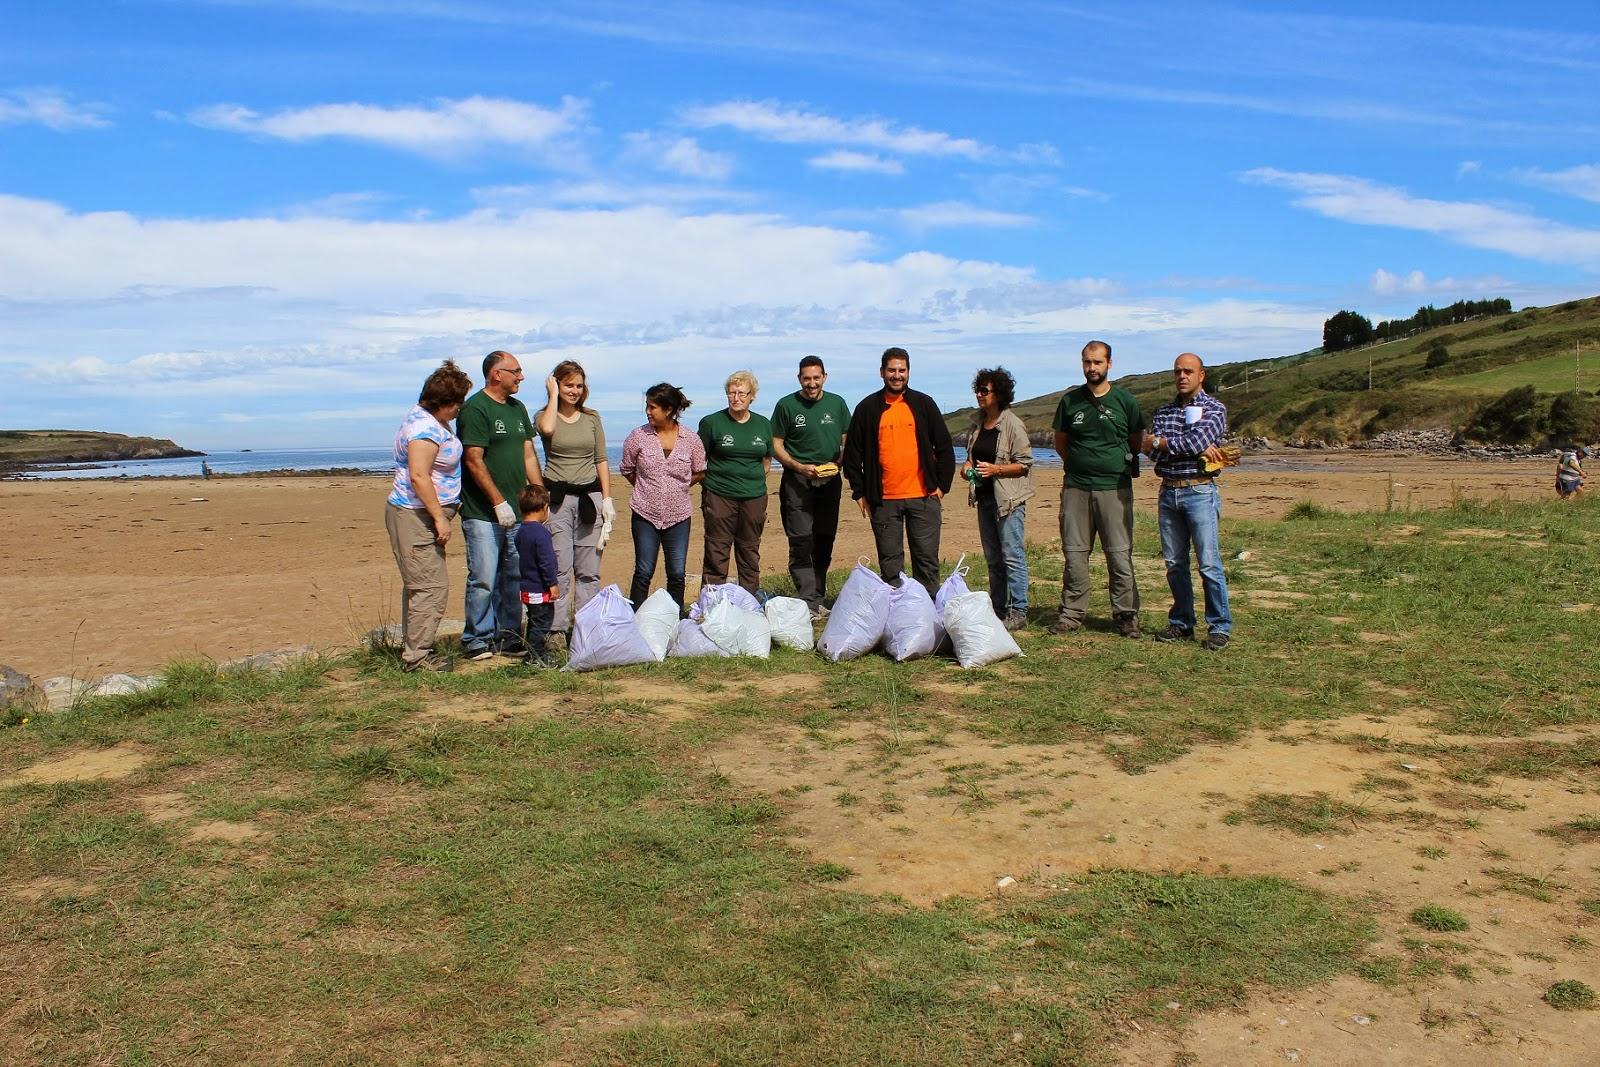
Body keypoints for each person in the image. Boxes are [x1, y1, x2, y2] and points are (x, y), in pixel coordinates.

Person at [1051, 340, 1145, 639]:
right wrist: (1082, 465)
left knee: (1119, 553)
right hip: (1076, 488)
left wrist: (1110, 463)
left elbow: (1135, 439)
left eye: (1097, 362)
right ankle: (1071, 614)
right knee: (1075, 554)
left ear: (1109, 364)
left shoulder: (1125, 401)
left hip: (1114, 488)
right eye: (1087, 362)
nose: (1092, 368)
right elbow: (1061, 444)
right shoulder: (1070, 401)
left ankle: (1126, 615)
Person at [843, 347, 955, 596]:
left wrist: (942, 487)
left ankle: (928, 619)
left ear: (908, 372)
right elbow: (852, 455)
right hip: (883, 500)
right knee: (890, 566)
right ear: (882, 372)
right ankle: (897, 617)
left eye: (901, 370)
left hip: (924, 497)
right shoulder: (867, 408)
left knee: (926, 562)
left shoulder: (923, 404)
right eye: (892, 370)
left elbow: (945, 447)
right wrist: (860, 492)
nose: (897, 375)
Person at [384, 359, 472, 672]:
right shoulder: (423, 429)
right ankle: (417, 658)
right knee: (430, 587)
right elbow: (419, 476)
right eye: (457, 403)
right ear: (444, 402)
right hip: (415, 515)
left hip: (417, 514)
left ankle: (417, 649)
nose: (459, 409)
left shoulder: (426, 418)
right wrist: (439, 517)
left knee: (420, 586)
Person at [459, 350, 545, 661]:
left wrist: (539, 495)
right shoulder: (475, 409)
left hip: (518, 510)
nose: (520, 377)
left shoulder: (517, 408)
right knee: (483, 576)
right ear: (497, 374)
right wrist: (498, 502)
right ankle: (476, 639)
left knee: (514, 575)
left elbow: (527, 454)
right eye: (516, 371)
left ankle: (509, 637)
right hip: (482, 513)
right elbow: (473, 460)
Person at [1143, 352, 1232, 651]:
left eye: (1188, 371)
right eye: (1178, 371)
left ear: (1201, 375)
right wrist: (1168, 444)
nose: (1182, 376)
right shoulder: (1164, 411)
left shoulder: (1214, 409)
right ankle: (1182, 622)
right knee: (1175, 564)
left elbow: (1189, 443)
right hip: (1168, 491)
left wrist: (1163, 442)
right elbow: (1152, 452)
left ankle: (1219, 626)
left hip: (1200, 491)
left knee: (1208, 563)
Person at [536, 360, 614, 640]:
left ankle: (587, 629)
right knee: (560, 568)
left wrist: (607, 499)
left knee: (589, 570)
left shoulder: (592, 418)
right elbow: (546, 430)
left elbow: (601, 459)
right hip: (557, 500)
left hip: (589, 499)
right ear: (556, 384)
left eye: (579, 385)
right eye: (569, 384)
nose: (575, 390)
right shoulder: (545, 415)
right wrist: (554, 397)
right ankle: (556, 630)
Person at [771, 355, 850, 616]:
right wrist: (797, 466)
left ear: (825, 377)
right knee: (801, 539)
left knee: (825, 537)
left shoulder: (837, 403)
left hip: (830, 479)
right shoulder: (786, 405)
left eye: (817, 378)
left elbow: (847, 438)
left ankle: (818, 595)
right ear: (799, 379)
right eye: (807, 378)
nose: (812, 383)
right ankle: (806, 599)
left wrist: (839, 462)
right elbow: (776, 443)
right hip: (798, 479)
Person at [620, 383, 706, 611]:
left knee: (677, 573)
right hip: (644, 514)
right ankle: (635, 618)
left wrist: (678, 487)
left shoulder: (691, 439)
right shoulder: (638, 436)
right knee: (644, 570)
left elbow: (699, 470)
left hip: (679, 517)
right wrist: (647, 488)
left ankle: (674, 620)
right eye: (647, 406)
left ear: (668, 409)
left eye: (652, 407)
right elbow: (627, 469)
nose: (648, 411)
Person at [961, 367, 1034, 630]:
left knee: (1011, 555)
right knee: (993, 557)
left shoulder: (1012, 424)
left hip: (1009, 500)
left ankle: (1019, 610)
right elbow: (971, 457)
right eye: (977, 390)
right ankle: (999, 606)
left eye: (985, 391)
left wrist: (996, 469)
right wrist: (967, 468)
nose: (979, 395)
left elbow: (1025, 463)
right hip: (984, 498)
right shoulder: (977, 424)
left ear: (999, 393)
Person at [698, 370, 774, 595]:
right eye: (732, 393)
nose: (736, 398)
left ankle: (749, 600)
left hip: (754, 496)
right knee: (717, 549)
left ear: (752, 396)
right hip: (719, 494)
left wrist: (751, 482)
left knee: (749, 550)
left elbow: (766, 460)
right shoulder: (712, 422)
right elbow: (698, 458)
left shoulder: (763, 424)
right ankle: (711, 603)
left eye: (742, 393)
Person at [514, 484, 560, 667]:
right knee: (542, 623)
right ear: (543, 508)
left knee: (534, 621)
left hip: (526, 586)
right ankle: (536, 655)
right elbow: (546, 561)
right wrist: (552, 583)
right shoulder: (541, 534)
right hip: (539, 588)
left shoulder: (521, 532)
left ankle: (533, 654)